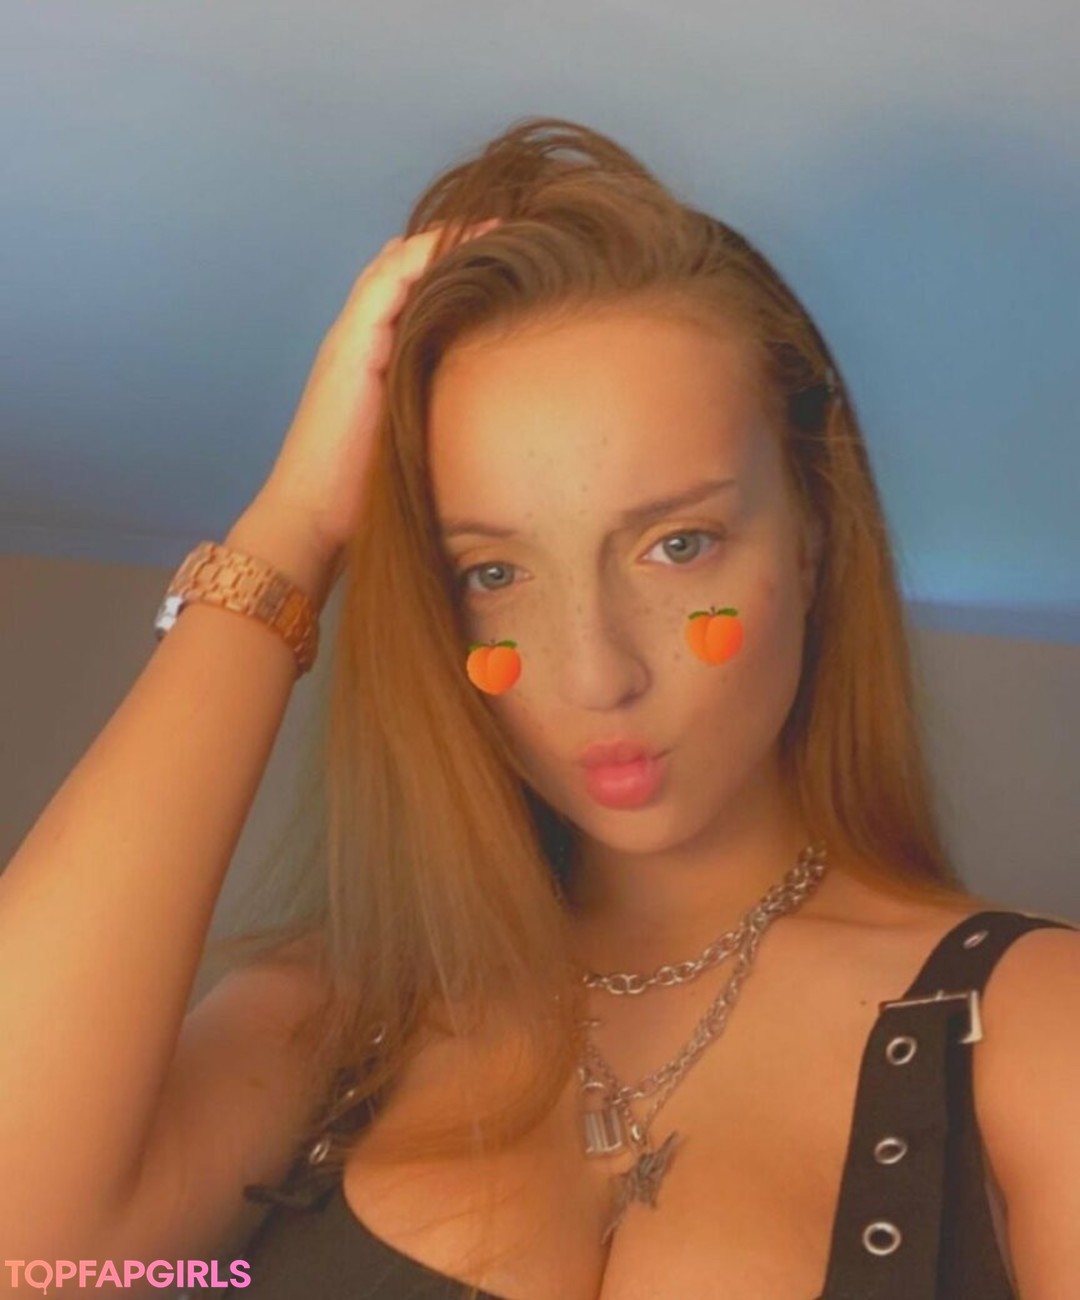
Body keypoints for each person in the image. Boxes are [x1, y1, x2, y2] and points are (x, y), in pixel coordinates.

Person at [2, 115, 1077, 1300]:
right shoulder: (336, 1016)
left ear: (813, 538)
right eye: (495, 571)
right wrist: (294, 528)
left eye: (678, 544)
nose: (594, 674)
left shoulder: (1035, 1026)